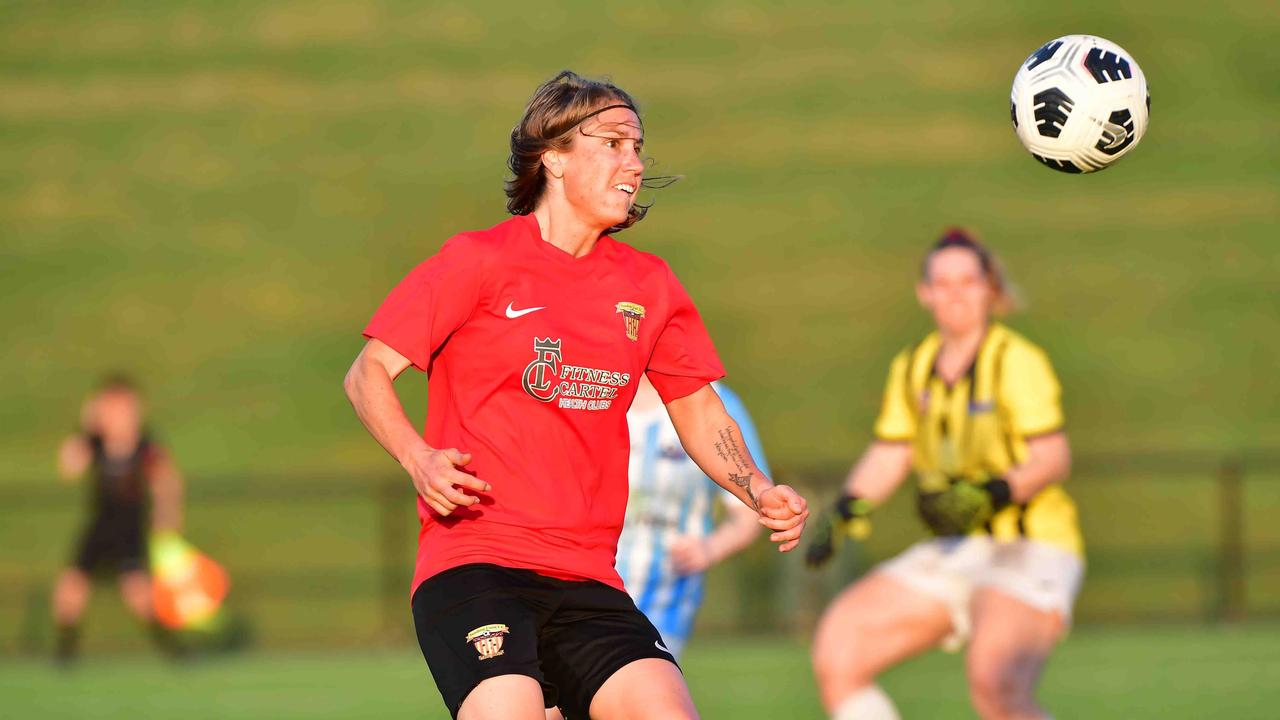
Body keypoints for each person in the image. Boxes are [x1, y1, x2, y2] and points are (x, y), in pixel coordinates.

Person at [343, 70, 808, 720]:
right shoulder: (479, 261)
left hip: (588, 578)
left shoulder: (648, 285)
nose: (635, 163)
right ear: (552, 156)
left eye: (639, 147)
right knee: (511, 709)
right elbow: (367, 373)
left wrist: (756, 488)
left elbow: (699, 407)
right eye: (614, 143)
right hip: (476, 565)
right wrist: (417, 457)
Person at [807, 229, 1083, 720]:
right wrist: (848, 508)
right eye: (944, 283)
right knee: (838, 648)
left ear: (990, 289)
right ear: (925, 293)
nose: (956, 294)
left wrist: (994, 492)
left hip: (1028, 546)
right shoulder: (914, 366)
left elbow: (1052, 456)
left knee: (996, 682)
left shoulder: (1015, 361)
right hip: (957, 548)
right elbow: (892, 451)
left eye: (968, 281)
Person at [616, 377, 768, 659]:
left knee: (634, 692)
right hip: (590, 582)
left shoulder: (717, 403)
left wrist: (709, 549)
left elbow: (750, 511)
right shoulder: (595, 392)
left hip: (666, 597)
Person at [51, 374, 185, 663]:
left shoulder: (145, 447)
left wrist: (167, 517)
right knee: (70, 589)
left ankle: (176, 651)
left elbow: (167, 481)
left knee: (139, 596)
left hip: (130, 529)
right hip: (99, 526)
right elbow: (68, 467)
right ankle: (65, 654)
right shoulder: (94, 444)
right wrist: (85, 427)